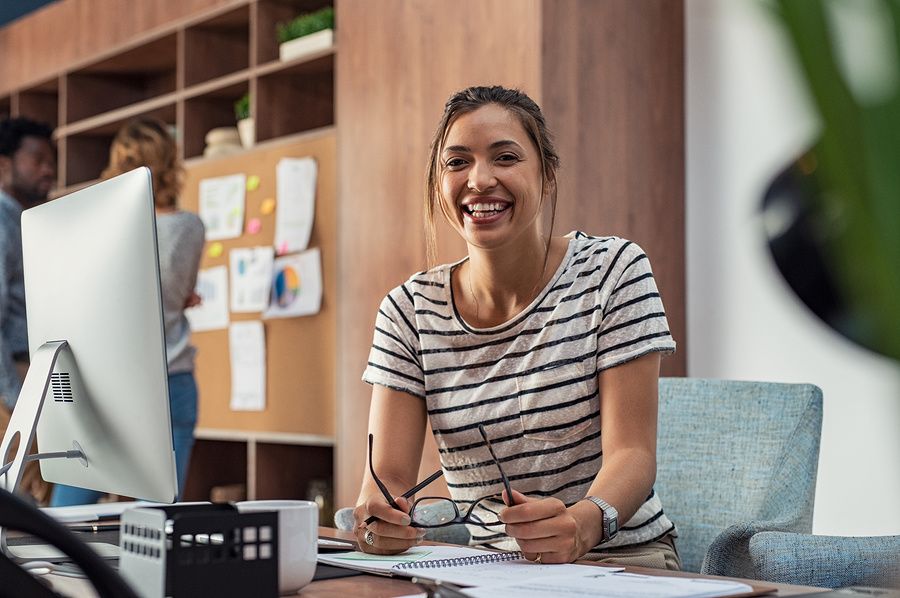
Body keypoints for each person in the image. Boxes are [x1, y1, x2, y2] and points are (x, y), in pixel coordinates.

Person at [353, 86, 680, 570]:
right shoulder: (408, 311)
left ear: (548, 175)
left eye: (505, 157)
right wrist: (378, 523)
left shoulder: (613, 271)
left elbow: (632, 453)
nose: (479, 180)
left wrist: (583, 524)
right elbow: (386, 479)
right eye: (457, 162)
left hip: (621, 557)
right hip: (490, 570)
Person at [51, 117, 204, 505]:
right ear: (170, 163)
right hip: (173, 379)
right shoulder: (189, 227)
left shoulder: (98, 227)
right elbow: (175, 292)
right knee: (155, 518)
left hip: (109, 383)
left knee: (69, 513)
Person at [0, 117, 56, 504]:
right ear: (4, 164)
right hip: (14, 382)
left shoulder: (26, 219)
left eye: (52, 161)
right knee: (26, 508)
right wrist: (13, 399)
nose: (48, 169)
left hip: (26, 378)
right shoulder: (2, 219)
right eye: (38, 160)